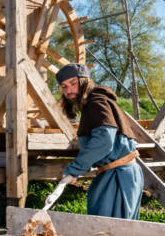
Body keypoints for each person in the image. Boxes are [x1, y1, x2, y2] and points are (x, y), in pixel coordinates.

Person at [55, 63, 145, 219]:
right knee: (112, 229)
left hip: (118, 177)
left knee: (111, 229)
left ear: (84, 81)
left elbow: (104, 141)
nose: (68, 90)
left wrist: (74, 169)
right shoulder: (94, 103)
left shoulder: (96, 102)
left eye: (73, 83)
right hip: (116, 173)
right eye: (64, 87)